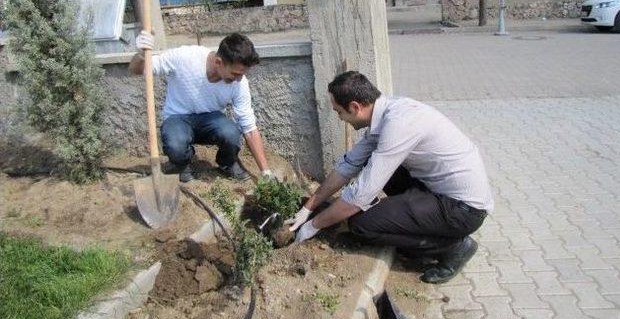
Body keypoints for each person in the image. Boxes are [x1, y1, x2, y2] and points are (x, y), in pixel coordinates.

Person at [286, 71, 493, 284]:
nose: (340, 119)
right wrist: (308, 208)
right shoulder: (385, 113)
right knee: (368, 163)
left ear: (355, 107)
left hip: (462, 210)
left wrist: (314, 226)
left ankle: (455, 247)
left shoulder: (399, 123)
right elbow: (348, 165)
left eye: (340, 112)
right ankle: (412, 225)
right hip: (438, 191)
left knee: (362, 224)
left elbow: (360, 195)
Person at [130, 31, 273, 183]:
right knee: (175, 144)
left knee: (231, 133)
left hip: (211, 121)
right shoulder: (185, 57)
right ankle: (181, 164)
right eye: (235, 74)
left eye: (242, 74)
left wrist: (266, 172)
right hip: (178, 119)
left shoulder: (240, 83)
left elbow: (249, 129)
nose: (239, 79)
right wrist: (141, 53)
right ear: (218, 62)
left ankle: (227, 162)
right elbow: (136, 69)